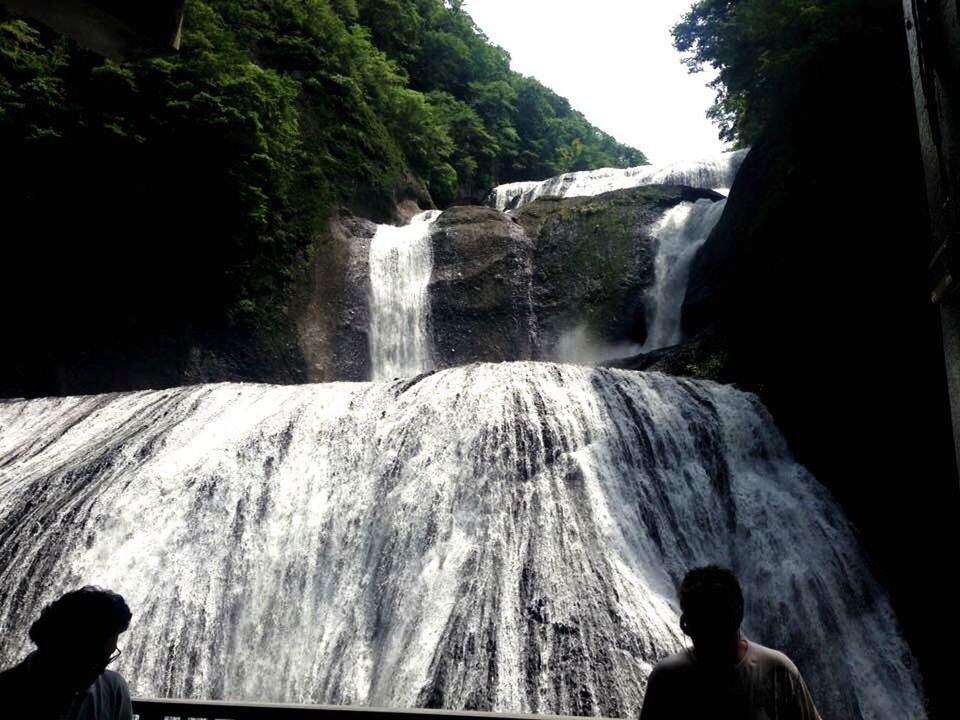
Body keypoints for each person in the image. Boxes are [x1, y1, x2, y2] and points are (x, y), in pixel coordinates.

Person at [639, 566, 822, 720]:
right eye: (701, 623)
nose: (708, 635)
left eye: (715, 623)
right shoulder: (778, 669)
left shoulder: (667, 678)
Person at [0, 586, 133, 720]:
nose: (100, 670)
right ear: (54, 647)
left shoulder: (114, 688)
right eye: (90, 661)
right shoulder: (7, 692)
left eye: (107, 658)